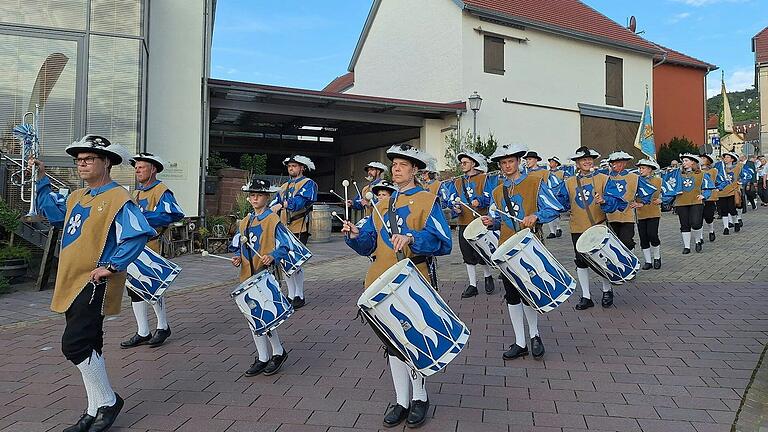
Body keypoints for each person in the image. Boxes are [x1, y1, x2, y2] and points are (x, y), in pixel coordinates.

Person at [31, 135, 155, 432]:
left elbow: (138, 233)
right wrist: (41, 177)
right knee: (90, 344)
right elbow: (51, 212)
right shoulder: (77, 196)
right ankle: (93, 409)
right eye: (78, 160)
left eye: (88, 159)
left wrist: (112, 265)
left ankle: (109, 401)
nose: (81, 164)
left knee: (74, 344)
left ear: (107, 162)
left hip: (94, 280)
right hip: (71, 279)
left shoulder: (118, 198)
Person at [342, 143, 452, 429]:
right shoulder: (381, 204)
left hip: (413, 281)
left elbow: (444, 243)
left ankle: (420, 397)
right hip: (380, 280)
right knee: (392, 344)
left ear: (415, 169)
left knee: (413, 340)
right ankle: (401, 400)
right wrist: (354, 235)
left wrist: (413, 238)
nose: (397, 168)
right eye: (394, 165)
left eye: (403, 164)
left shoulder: (428, 200)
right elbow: (368, 245)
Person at [482, 143, 563, 361]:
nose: (507, 166)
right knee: (512, 295)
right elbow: (499, 219)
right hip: (506, 248)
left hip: (529, 246)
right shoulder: (497, 191)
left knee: (530, 293)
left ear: (518, 162)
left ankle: (535, 335)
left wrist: (536, 215)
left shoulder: (535, 182)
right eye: (503, 163)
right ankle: (520, 341)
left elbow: (554, 208)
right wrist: (491, 222)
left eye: (511, 161)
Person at [120, 153, 185, 349]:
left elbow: (172, 213)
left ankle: (163, 326)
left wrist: (144, 216)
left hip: (152, 245)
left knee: (153, 286)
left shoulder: (162, 190)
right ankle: (142, 331)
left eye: (141, 167)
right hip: (134, 247)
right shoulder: (137, 193)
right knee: (134, 289)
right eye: (136, 167)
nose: (137, 170)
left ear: (153, 169)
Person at [230, 177, 292, 377]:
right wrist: (238, 257)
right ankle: (263, 357)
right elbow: (241, 245)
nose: (255, 198)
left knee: (267, 316)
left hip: (266, 274)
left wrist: (272, 256)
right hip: (247, 276)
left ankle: (278, 352)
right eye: (252, 195)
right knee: (253, 318)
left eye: (259, 195)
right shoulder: (245, 221)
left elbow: (286, 246)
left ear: (267, 197)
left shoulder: (273, 219)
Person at [555, 147, 627, 310]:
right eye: (583, 160)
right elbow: (561, 204)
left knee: (602, 260)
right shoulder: (569, 182)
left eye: (589, 159)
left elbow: (617, 202)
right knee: (581, 262)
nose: (587, 162)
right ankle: (586, 296)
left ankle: (607, 291)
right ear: (577, 163)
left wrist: (604, 200)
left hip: (598, 227)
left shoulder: (603, 178)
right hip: (577, 227)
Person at [444, 151, 495, 297]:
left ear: (473, 163)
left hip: (480, 221)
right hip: (464, 222)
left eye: (465, 162)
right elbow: (451, 199)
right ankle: (473, 285)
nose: (462, 165)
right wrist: (455, 208)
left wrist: (480, 201)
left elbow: (490, 196)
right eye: (461, 163)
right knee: (466, 253)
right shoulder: (457, 182)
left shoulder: (484, 179)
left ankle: (487, 276)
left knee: (482, 252)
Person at [270, 155, 318, 308]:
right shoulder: (283, 186)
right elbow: (273, 203)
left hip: (299, 227)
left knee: (295, 262)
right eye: (289, 166)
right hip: (283, 228)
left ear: (302, 168)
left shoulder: (308, 183)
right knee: (285, 262)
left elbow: (300, 202)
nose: (291, 168)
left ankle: (300, 295)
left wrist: (283, 204)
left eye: (294, 166)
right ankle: (291, 295)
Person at [605, 151, 657, 251]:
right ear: (611, 163)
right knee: (614, 243)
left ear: (625, 163)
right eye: (615, 162)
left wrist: (641, 203)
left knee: (627, 241)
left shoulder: (634, 177)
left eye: (621, 162)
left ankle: (630, 263)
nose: (618, 164)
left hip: (627, 215)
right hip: (610, 216)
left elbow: (648, 190)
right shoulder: (605, 177)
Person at [666, 154, 714, 254]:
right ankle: (686, 246)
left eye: (686, 161)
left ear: (693, 162)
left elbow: (708, 186)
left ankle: (698, 241)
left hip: (696, 201)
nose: (684, 163)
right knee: (684, 225)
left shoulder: (701, 174)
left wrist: (704, 195)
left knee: (696, 223)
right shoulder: (678, 174)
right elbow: (669, 184)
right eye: (683, 161)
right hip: (681, 202)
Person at [635, 159, 663, 270]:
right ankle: (648, 261)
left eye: (643, 168)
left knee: (653, 235)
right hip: (640, 213)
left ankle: (657, 257)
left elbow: (668, 191)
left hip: (653, 212)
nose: (640, 170)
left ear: (650, 169)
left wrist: (662, 199)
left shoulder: (658, 180)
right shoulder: (636, 181)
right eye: (640, 168)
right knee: (643, 237)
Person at [718, 152, 749, 234]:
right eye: (725, 157)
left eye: (728, 157)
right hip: (722, 191)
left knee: (732, 209)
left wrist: (741, 182)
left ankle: (736, 222)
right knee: (724, 210)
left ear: (732, 159)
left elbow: (747, 175)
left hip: (733, 191)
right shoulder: (721, 168)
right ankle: (726, 228)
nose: (726, 159)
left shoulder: (738, 167)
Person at [699, 154, 727, 242]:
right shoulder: (695, 171)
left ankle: (711, 230)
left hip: (709, 197)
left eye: (704, 158)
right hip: (697, 197)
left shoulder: (713, 171)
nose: (701, 159)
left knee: (708, 216)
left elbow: (723, 180)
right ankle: (700, 237)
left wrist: (719, 188)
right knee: (698, 218)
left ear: (709, 161)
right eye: (701, 158)